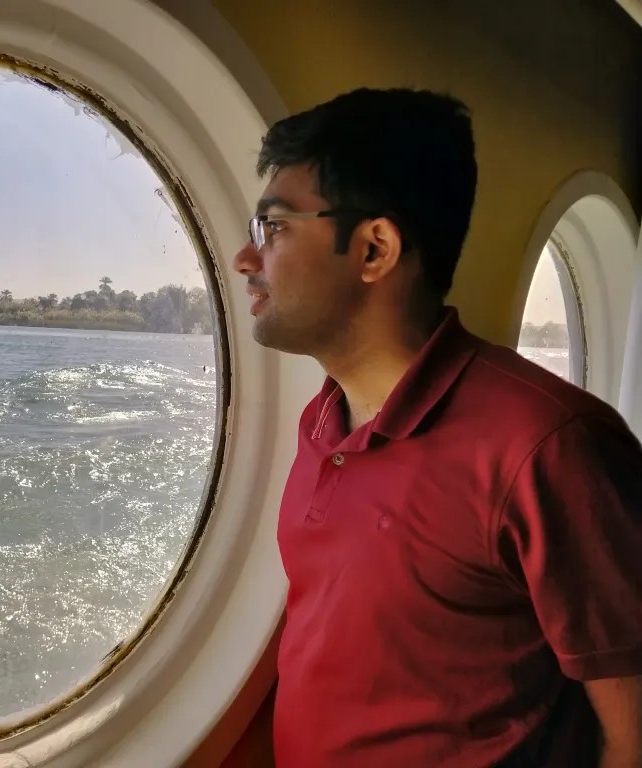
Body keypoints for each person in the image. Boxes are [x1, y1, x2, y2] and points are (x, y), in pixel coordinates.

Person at [232, 87, 642, 767]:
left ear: (374, 249)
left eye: (273, 229)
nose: (247, 260)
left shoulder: (548, 447)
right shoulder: (322, 421)